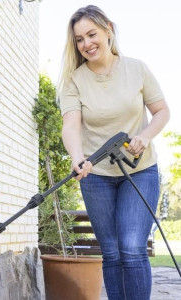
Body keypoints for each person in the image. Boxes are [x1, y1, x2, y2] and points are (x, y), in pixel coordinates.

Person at [58, 5, 170, 300]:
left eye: (91, 34)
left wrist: (145, 137)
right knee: (111, 252)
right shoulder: (73, 81)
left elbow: (161, 112)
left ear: (108, 29)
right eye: (79, 39)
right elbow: (70, 126)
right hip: (95, 175)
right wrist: (77, 158)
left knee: (132, 248)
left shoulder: (137, 69)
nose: (86, 44)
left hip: (140, 170)